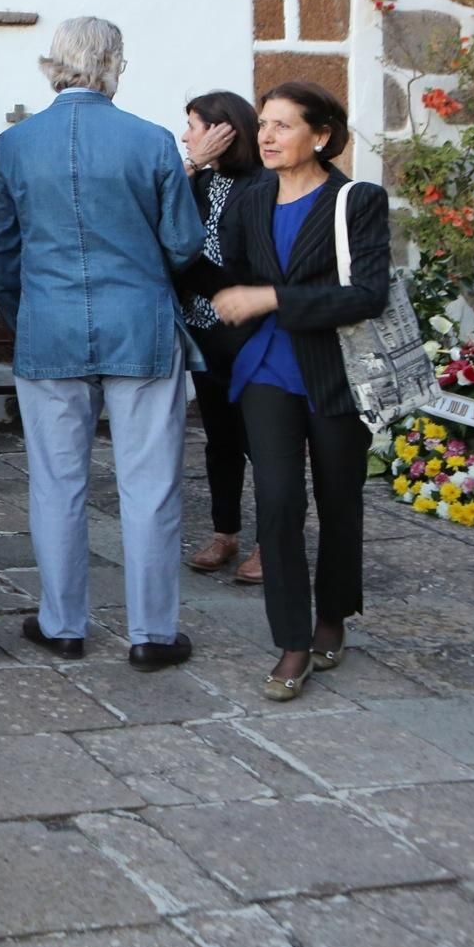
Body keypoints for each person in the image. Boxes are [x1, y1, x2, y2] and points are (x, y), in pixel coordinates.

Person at [0, 16, 204, 671]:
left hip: (49, 326)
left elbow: (2, 249)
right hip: (140, 322)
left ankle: (62, 623)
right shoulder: (153, 140)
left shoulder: (15, 145)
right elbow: (185, 242)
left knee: (56, 483)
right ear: (114, 64)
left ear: (55, 64)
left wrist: (28, 313)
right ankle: (153, 633)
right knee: (151, 484)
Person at [213, 80, 388, 702]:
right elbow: (227, 271)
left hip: (335, 372)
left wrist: (274, 297)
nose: (266, 135)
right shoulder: (250, 198)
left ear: (320, 135)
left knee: (340, 501)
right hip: (266, 369)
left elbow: (369, 294)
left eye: (283, 126)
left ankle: (332, 615)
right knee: (280, 501)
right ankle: (292, 642)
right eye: (264, 123)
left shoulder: (357, 201)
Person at [175, 90, 265, 583]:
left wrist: (202, 277)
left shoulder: (263, 184)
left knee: (264, 442)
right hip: (204, 332)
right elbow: (164, 223)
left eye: (193, 125)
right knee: (220, 440)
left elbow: (252, 262)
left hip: (250, 333)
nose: (187, 135)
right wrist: (191, 168)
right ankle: (225, 531)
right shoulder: (199, 180)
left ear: (224, 129)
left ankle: (274, 541)